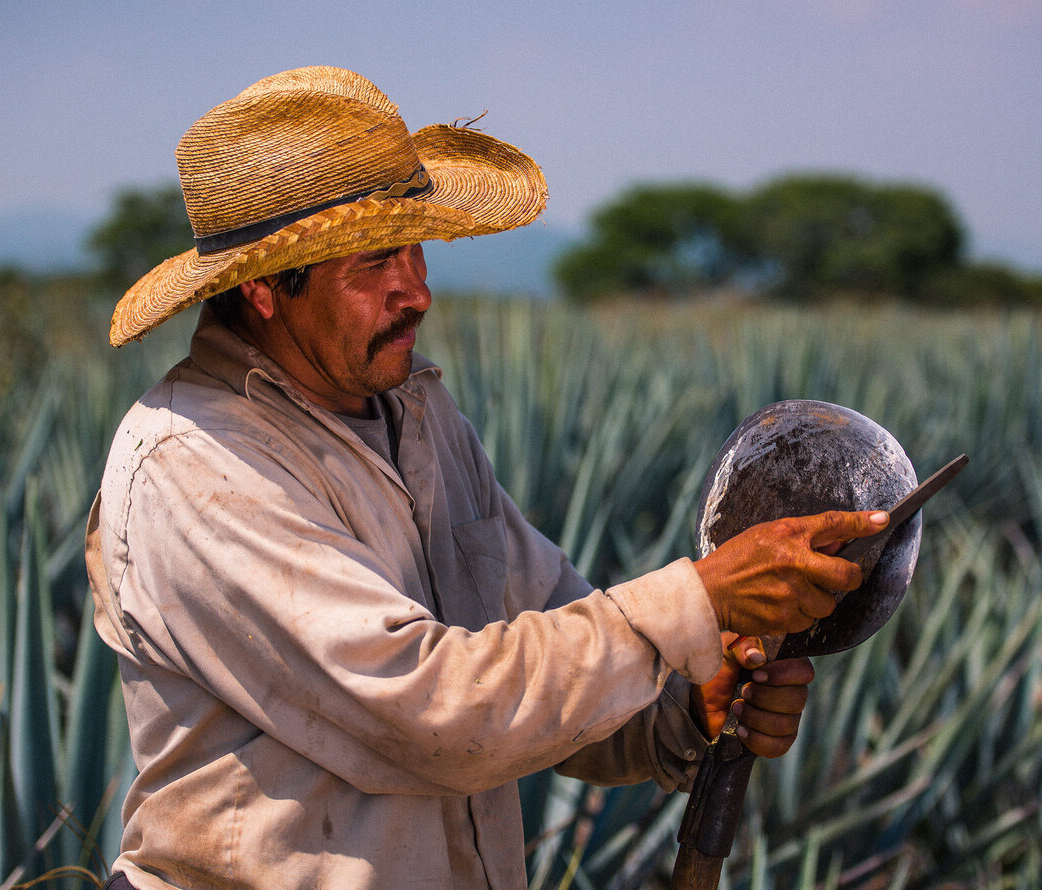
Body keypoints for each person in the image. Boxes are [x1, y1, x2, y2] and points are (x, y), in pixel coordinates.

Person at [86, 66, 888, 890]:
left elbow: (547, 642)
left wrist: (684, 705)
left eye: (414, 246)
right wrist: (699, 602)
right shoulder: (198, 464)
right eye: (373, 260)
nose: (418, 289)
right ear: (261, 286)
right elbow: (429, 712)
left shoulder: (417, 416)